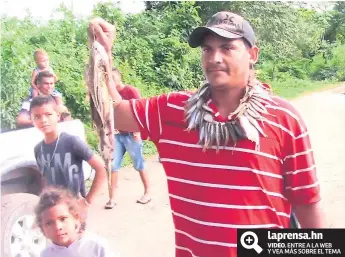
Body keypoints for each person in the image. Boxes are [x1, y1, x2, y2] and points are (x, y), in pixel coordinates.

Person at [88, 12, 326, 257]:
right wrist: (102, 54)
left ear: (253, 55)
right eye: (207, 49)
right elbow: (110, 113)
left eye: (227, 47)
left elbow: (306, 202)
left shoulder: (285, 118)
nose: (215, 58)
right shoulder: (172, 110)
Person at [30, 95, 107, 209]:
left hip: (74, 208)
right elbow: (45, 179)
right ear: (32, 120)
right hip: (54, 208)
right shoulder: (38, 149)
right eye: (37, 117)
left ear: (58, 115)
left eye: (48, 114)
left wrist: (87, 201)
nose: (43, 120)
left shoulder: (72, 142)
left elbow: (101, 168)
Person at [105, 68, 150, 209]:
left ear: (119, 77)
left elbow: (140, 111)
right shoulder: (108, 94)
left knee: (139, 164)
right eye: (108, 78)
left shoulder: (131, 91)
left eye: (113, 77)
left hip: (132, 134)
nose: (111, 81)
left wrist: (137, 131)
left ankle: (147, 191)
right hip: (117, 134)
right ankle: (112, 198)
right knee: (113, 165)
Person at [35, 186, 119, 257]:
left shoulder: (96, 246)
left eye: (63, 219)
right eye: (49, 223)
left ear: (76, 218)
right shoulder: (46, 254)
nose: (58, 227)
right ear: (42, 228)